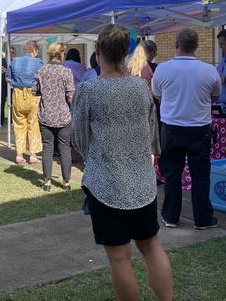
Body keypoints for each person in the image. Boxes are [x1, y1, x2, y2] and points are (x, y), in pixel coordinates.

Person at [72, 24, 172, 301]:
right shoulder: (141, 86)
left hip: (106, 182)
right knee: (151, 246)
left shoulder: (89, 90)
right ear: (125, 52)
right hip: (142, 181)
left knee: (119, 257)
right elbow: (154, 133)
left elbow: (79, 138)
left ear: (98, 51)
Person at [152, 28, 221, 230]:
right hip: (199, 129)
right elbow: (215, 97)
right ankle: (203, 218)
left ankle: (171, 216)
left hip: (171, 128)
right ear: (196, 46)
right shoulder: (209, 70)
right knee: (201, 175)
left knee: (172, 174)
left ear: (176, 45)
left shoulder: (162, 69)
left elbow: (157, 94)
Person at [33, 43, 75, 192]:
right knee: (64, 148)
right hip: (63, 116)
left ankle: (47, 182)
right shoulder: (66, 72)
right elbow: (71, 95)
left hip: (45, 115)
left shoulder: (41, 70)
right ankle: (66, 182)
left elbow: (34, 91)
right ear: (61, 54)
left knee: (47, 148)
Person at [7, 40, 44, 164]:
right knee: (33, 124)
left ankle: (19, 154)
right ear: (34, 50)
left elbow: (8, 78)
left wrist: (16, 84)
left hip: (17, 93)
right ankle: (33, 155)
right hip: (33, 95)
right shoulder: (38, 62)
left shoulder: (14, 61)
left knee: (18, 124)